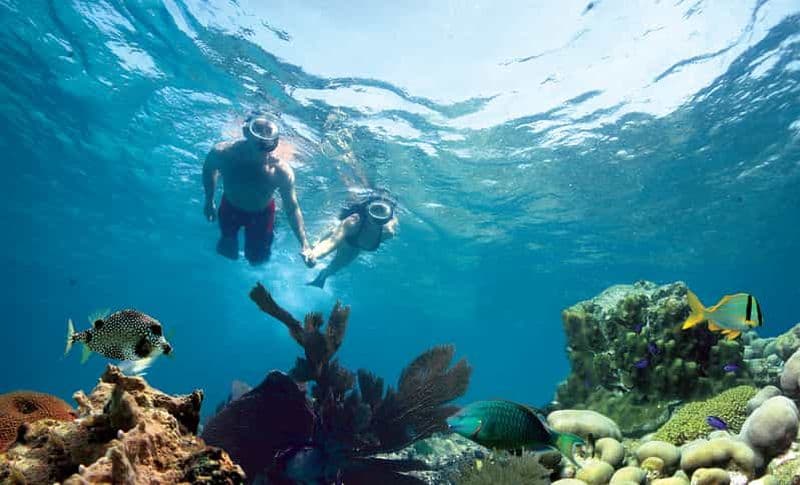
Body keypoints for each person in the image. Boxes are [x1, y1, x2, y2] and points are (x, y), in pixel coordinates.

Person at [202, 113, 314, 266]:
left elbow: (292, 208)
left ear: (275, 138)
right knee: (226, 249)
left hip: (262, 215)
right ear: (246, 131)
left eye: (268, 131)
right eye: (258, 129)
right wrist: (209, 201)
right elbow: (209, 170)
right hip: (230, 208)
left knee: (257, 259)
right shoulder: (222, 153)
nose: (263, 135)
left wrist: (304, 243)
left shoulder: (280, 171)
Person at [306, 192, 398, 288]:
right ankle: (313, 249)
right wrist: (314, 254)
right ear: (367, 211)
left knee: (337, 266)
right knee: (330, 238)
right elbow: (332, 241)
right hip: (344, 235)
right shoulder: (354, 222)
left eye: (382, 214)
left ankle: (322, 277)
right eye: (375, 210)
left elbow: (392, 224)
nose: (377, 219)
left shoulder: (387, 232)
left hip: (355, 246)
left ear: (389, 218)